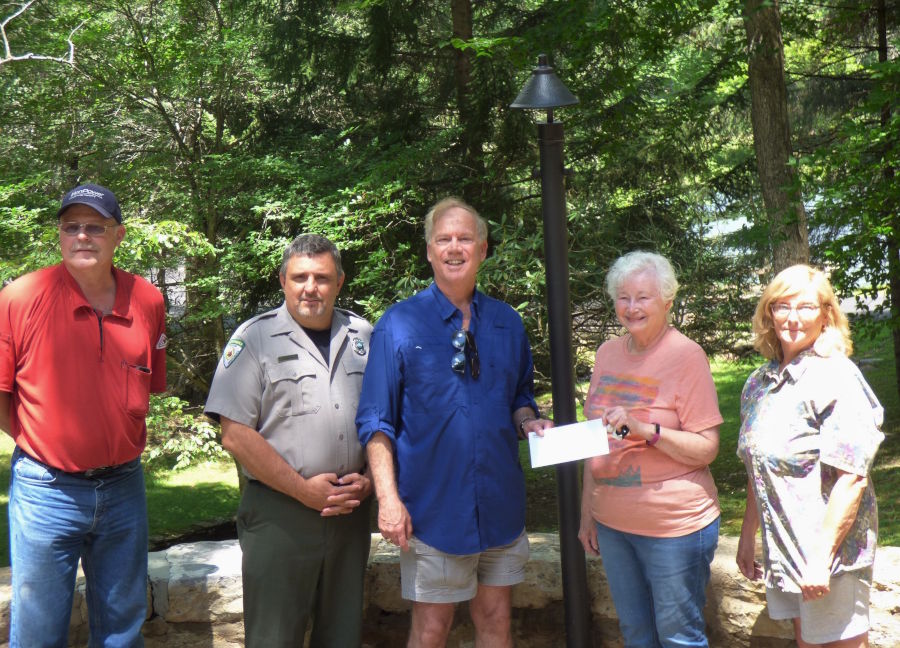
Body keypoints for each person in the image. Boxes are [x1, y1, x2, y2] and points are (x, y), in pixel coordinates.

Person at [356, 197, 552, 648]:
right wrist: (388, 500)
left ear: (483, 249)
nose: (454, 247)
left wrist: (529, 422)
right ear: (429, 251)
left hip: (500, 507)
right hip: (433, 512)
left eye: (465, 238)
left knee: (496, 618)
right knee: (431, 628)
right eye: (443, 239)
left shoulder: (507, 324)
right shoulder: (398, 325)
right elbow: (376, 421)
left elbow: (520, 399)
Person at [0, 183, 167, 647]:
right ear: (59, 235)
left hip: (124, 487)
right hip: (46, 490)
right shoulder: (19, 297)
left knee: (122, 628)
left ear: (119, 235)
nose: (82, 237)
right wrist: (43, 444)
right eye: (71, 227)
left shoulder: (148, 300)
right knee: (37, 631)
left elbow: (149, 385)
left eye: (95, 227)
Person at [204, 233, 373, 647]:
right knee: (274, 639)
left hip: (350, 513)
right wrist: (303, 491)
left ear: (340, 282)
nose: (310, 288)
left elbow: (388, 420)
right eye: (300, 277)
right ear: (282, 280)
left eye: (322, 277)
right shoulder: (254, 339)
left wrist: (370, 478)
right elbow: (236, 435)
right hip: (280, 514)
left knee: (343, 635)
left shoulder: (364, 336)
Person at [578, 250, 722, 648]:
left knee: (679, 639)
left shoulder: (686, 356)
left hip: (673, 527)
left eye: (643, 297)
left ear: (667, 302)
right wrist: (587, 514)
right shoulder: (607, 353)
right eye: (623, 297)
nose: (632, 307)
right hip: (612, 524)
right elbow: (596, 439)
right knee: (636, 635)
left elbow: (707, 448)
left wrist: (646, 430)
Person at [736, 264, 884, 648]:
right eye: (782, 306)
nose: (793, 318)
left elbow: (852, 477)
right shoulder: (758, 384)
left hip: (830, 557)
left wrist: (820, 558)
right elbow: (758, 469)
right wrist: (748, 534)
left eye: (806, 307)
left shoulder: (837, 377)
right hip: (785, 550)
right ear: (768, 313)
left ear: (826, 315)